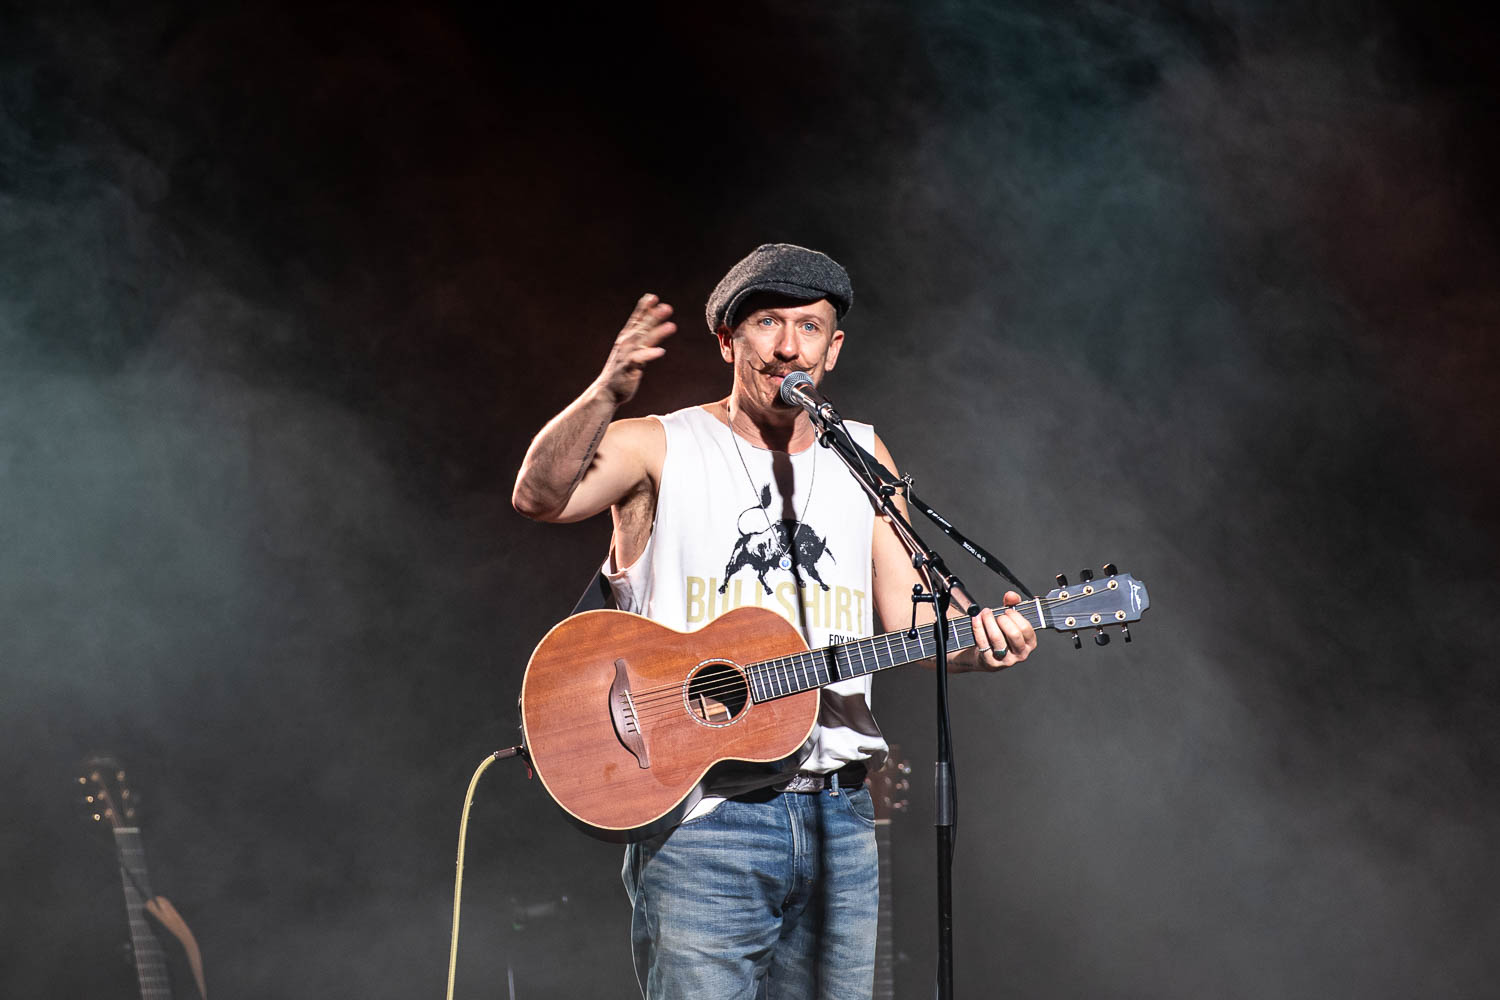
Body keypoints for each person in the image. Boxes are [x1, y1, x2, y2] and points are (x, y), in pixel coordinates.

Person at [512, 244, 1037, 999]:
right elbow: (538, 494)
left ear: (834, 348)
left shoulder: (860, 454)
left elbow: (912, 619)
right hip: (704, 823)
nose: (789, 345)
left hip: (841, 821)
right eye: (768, 323)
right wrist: (605, 393)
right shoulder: (662, 445)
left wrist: (987, 644)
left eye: (810, 326)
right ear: (729, 340)